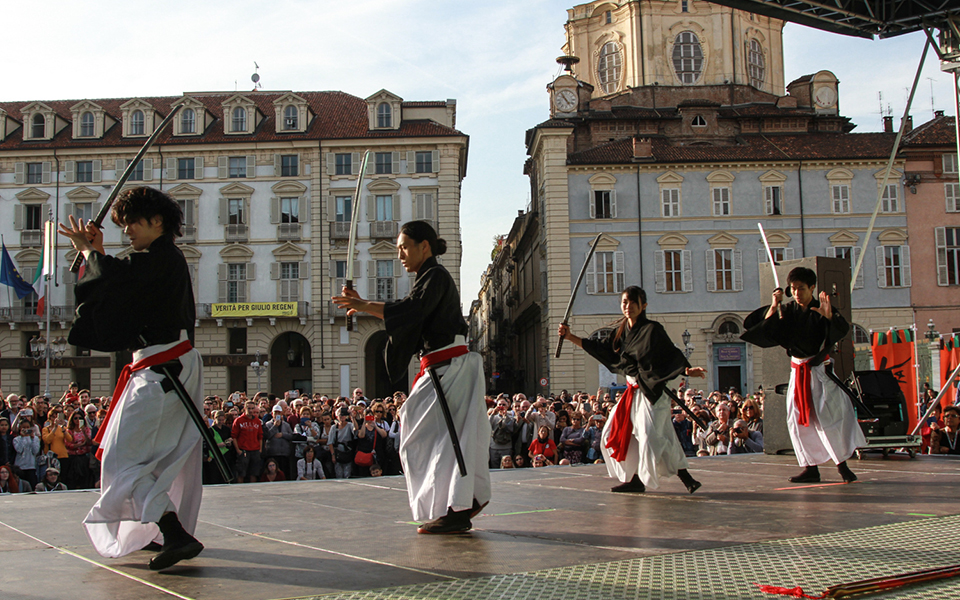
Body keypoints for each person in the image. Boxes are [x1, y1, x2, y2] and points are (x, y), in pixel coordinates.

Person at [58, 186, 205, 570]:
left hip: (161, 369)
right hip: (162, 366)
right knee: (150, 458)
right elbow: (124, 282)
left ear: (156, 221)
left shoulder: (162, 260)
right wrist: (97, 254)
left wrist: (92, 253)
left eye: (131, 224)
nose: (127, 232)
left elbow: (122, 281)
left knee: (124, 459)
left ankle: (173, 532)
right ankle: (161, 530)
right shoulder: (159, 261)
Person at [333, 220, 491, 534]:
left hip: (450, 368)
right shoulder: (427, 278)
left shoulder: (436, 276)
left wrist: (363, 305)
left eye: (405, 247)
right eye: (398, 249)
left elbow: (412, 311)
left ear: (424, 246)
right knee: (438, 439)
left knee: (434, 439)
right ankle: (461, 501)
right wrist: (364, 304)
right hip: (442, 368)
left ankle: (459, 506)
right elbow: (411, 315)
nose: (401, 255)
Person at [558, 286, 705, 494]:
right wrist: (570, 336)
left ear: (643, 305)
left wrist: (687, 370)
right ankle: (638, 479)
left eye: (633, 302)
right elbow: (600, 349)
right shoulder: (620, 333)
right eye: (625, 302)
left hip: (651, 393)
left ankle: (682, 477)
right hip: (632, 393)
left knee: (651, 436)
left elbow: (669, 354)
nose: (628, 306)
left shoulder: (653, 330)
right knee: (622, 434)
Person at [741, 266, 866, 484]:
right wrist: (774, 305)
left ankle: (842, 465)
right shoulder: (788, 310)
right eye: (793, 288)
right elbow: (767, 329)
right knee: (795, 419)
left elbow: (839, 331)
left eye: (801, 288)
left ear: (812, 288)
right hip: (797, 371)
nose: (797, 293)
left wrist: (828, 319)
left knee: (826, 418)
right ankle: (810, 467)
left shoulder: (822, 309)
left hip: (819, 371)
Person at [232, 401, 264, 483]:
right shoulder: (239, 420)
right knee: (241, 473)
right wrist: (238, 450)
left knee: (254, 473)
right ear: (245, 408)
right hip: (243, 450)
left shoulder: (257, 421)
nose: (250, 410)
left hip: (255, 450)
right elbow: (234, 436)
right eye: (249, 408)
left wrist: (260, 449)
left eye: (252, 408)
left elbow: (260, 436)